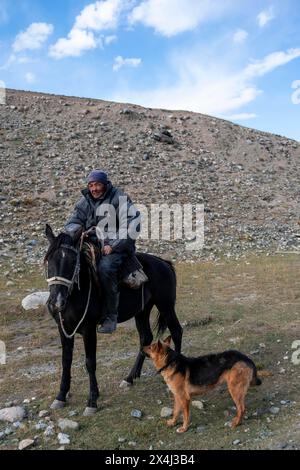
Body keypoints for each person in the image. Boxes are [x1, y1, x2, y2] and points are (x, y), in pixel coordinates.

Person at [64, 170, 141, 334]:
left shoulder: (119, 198)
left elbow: (133, 224)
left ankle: (111, 316)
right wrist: (78, 231)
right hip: (92, 243)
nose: (94, 189)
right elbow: (72, 222)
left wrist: (113, 245)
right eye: (91, 185)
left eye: (97, 184)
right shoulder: (85, 201)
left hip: (116, 246)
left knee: (105, 268)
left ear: (105, 184)